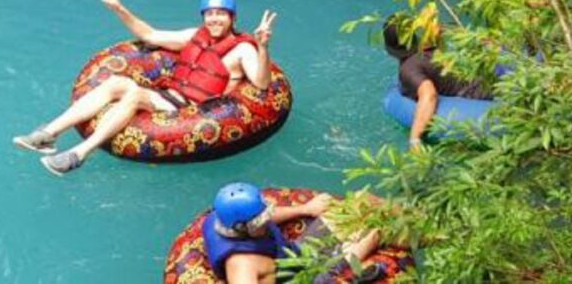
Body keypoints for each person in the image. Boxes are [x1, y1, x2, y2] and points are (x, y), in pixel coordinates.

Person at [12, 0, 277, 176]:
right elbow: (150, 35)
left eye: (221, 14)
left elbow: (262, 83)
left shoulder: (243, 49)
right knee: (117, 83)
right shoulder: (193, 36)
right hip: (168, 95)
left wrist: (263, 46)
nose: (214, 19)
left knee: (134, 94)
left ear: (232, 18)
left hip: (193, 109)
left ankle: (79, 154)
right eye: (210, 14)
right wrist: (118, 8)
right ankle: (48, 134)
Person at [203, 182, 384, 284]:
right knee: (374, 235)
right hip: (305, 279)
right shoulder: (242, 267)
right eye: (262, 221)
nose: (267, 220)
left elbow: (266, 216)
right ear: (244, 229)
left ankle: (410, 213)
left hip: (296, 254)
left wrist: (305, 209)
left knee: (363, 200)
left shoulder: (226, 219)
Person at [382, 16, 492, 150]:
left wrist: (414, 140)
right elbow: (442, 30)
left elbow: (429, 94)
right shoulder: (428, 49)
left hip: (481, 96)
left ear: (388, 48)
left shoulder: (409, 69)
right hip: (486, 82)